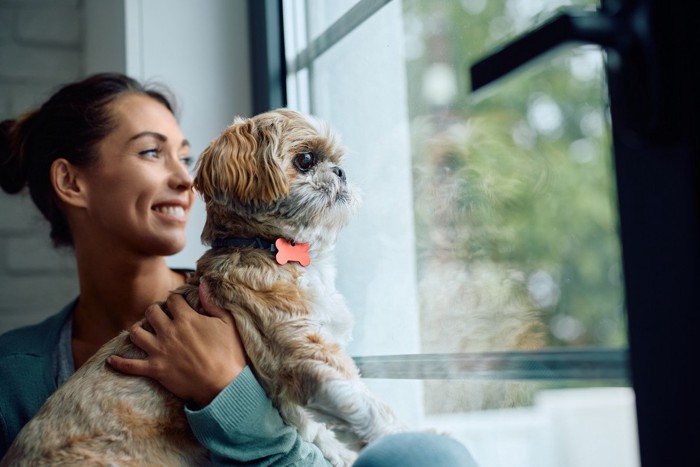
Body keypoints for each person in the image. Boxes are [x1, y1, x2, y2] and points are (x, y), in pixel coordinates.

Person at [0, 73, 478, 466]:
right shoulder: (12, 374)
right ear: (69, 180)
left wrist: (226, 391)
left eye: (186, 157)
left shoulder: (247, 300)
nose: (185, 178)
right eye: (151, 152)